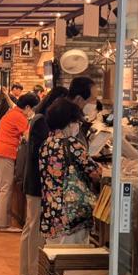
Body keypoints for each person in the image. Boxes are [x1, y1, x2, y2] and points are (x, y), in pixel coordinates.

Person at [18, 85, 70, 275]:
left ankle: (27, 271)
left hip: (36, 181)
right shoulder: (42, 121)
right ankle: (33, 273)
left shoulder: (38, 118)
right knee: (34, 227)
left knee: (31, 226)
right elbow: (40, 154)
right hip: (38, 182)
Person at [39, 99, 102, 244]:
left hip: (50, 214)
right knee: (72, 254)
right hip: (71, 214)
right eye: (77, 122)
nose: (78, 126)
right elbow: (95, 172)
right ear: (68, 123)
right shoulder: (72, 144)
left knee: (54, 254)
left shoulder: (46, 143)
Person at [0, 92, 38, 232]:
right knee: (5, 189)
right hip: (6, 153)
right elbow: (28, 136)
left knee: (3, 188)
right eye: (33, 109)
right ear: (28, 107)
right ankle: (2, 224)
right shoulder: (19, 116)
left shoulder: (12, 113)